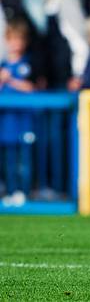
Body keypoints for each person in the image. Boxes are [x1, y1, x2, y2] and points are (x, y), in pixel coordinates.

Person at [0, 19, 35, 206]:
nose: (15, 44)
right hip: (5, 122)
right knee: (8, 160)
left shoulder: (26, 64)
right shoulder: (3, 64)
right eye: (12, 39)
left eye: (19, 40)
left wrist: (10, 80)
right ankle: (11, 191)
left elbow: (31, 87)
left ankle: (24, 192)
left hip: (23, 121)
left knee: (24, 160)